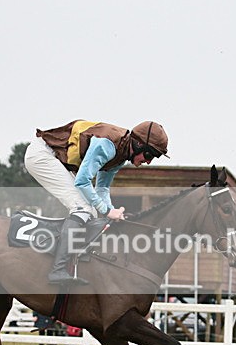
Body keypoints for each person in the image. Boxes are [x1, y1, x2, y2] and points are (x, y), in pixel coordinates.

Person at [25, 120, 169, 285]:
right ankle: (58, 269)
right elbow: (82, 181)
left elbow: (102, 190)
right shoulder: (107, 145)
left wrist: (112, 213)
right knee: (83, 209)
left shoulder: (120, 155)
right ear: (138, 144)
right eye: (149, 155)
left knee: (91, 212)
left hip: (56, 159)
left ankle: (76, 265)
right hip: (42, 156)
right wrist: (107, 211)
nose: (149, 161)